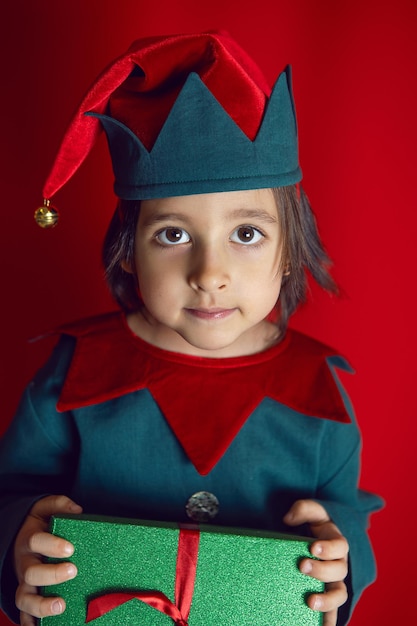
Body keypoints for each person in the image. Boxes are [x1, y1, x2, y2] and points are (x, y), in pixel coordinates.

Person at [0, 31, 382, 626]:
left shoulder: (319, 395)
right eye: (173, 235)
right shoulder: (72, 376)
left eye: (247, 234)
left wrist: (341, 561)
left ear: (289, 252)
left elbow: (342, 516)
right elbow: (11, 493)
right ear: (129, 251)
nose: (210, 274)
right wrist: (16, 546)